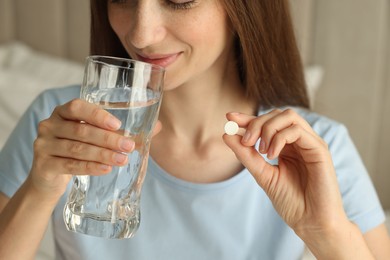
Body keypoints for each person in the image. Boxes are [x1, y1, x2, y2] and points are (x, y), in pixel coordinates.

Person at [0, 0, 389, 259]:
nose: (140, 34)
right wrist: (40, 189)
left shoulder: (317, 149)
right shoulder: (61, 125)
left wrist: (324, 233)